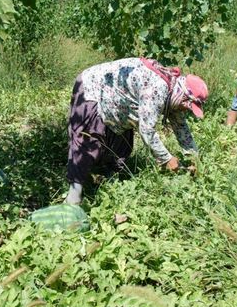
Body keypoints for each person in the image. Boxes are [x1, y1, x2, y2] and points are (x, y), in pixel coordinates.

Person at [65, 57, 209, 205]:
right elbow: (147, 130)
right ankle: (73, 198)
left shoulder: (175, 93)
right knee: (88, 139)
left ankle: (107, 184)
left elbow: (181, 128)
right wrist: (167, 159)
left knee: (122, 143)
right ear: (183, 96)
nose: (185, 109)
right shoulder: (158, 89)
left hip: (117, 96)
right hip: (92, 87)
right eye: (187, 106)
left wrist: (194, 158)